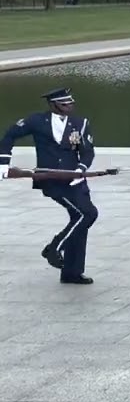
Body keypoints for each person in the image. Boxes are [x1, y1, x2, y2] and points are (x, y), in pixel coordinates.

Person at [0, 88, 99, 284]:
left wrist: (81, 168)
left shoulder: (81, 124)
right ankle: (54, 248)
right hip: (51, 180)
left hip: (76, 180)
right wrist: (3, 163)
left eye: (71, 103)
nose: (70, 106)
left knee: (80, 221)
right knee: (86, 214)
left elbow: (88, 153)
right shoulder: (36, 121)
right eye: (64, 104)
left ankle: (72, 272)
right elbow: (10, 135)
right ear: (53, 105)